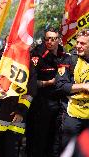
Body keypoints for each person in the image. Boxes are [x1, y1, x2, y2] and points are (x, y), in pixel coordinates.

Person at [26, 27, 71, 157]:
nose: (50, 42)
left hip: (59, 106)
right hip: (40, 105)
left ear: (58, 40)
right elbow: (30, 83)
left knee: (54, 142)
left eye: (53, 39)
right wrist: (48, 83)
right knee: (37, 141)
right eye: (47, 39)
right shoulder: (37, 55)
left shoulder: (64, 56)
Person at [56, 28, 89, 150]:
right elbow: (60, 86)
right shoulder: (69, 59)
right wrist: (84, 86)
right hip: (73, 117)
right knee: (69, 151)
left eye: (83, 43)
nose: (78, 46)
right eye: (77, 42)